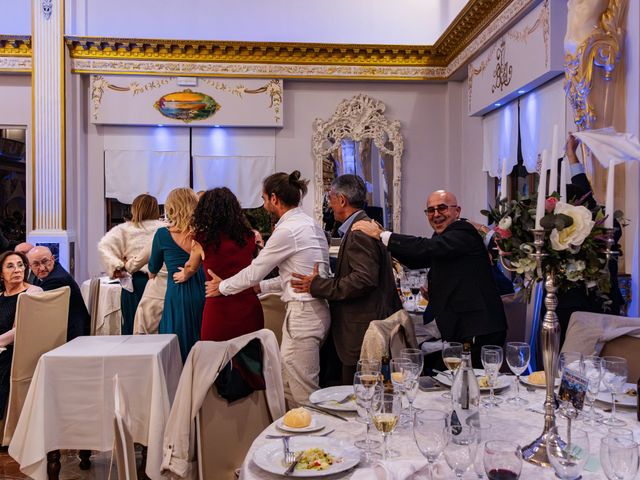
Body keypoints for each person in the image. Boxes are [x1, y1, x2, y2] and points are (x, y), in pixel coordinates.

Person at [206, 171, 330, 404]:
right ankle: (296, 436)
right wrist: (260, 287)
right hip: (316, 311)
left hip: (303, 315)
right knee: (288, 386)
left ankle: (315, 439)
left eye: (263, 199)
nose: (263, 206)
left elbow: (255, 270)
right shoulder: (309, 223)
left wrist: (222, 287)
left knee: (304, 394)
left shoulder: (287, 230)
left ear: (274, 198)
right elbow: (293, 278)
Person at [352, 190, 507, 368]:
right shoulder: (443, 236)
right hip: (464, 326)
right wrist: (382, 244)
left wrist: (382, 235)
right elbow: (419, 258)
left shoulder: (463, 232)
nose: (436, 214)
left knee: (477, 384)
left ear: (457, 211)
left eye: (442, 208)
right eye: (431, 210)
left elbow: (427, 248)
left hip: (480, 328)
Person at [290, 174, 402, 384]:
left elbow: (363, 280)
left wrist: (317, 285)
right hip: (364, 324)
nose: (329, 205)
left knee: (360, 393)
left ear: (342, 200)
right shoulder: (366, 225)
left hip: (360, 329)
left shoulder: (359, 232)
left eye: (330, 198)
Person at [173, 187, 264, 341]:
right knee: (249, 359)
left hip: (218, 305)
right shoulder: (249, 237)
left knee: (214, 358)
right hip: (248, 305)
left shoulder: (202, 240)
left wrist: (183, 274)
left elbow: (191, 267)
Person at [148, 188, 204, 362]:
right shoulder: (204, 234)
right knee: (202, 341)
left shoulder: (162, 235)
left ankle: (177, 385)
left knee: (174, 342)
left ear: (171, 208)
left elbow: (153, 267)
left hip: (177, 294)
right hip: (204, 290)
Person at [97, 194, 165, 335]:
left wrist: (117, 266)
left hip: (136, 282)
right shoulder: (165, 228)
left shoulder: (124, 229)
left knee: (133, 326)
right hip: (161, 282)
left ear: (134, 209)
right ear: (156, 209)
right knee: (160, 327)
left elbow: (104, 246)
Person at [0, 251, 42, 419]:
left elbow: (22, 329)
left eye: (20, 265)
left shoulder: (33, 292)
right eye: (10, 266)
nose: (17, 270)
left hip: (16, 351)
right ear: (1, 273)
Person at [27, 246, 90, 340]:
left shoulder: (56, 279)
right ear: (30, 266)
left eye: (45, 261)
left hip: (71, 334)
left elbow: (36, 307)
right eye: (36, 264)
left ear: (52, 259)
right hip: (60, 326)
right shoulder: (46, 274)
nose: (42, 268)